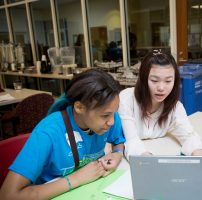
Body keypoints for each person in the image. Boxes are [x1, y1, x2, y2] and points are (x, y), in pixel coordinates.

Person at [0, 69, 125, 199]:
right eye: (105, 115)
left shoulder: (109, 116)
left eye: (114, 113)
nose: (111, 121)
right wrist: (75, 179)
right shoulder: (48, 132)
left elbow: (118, 141)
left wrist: (117, 154)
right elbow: (7, 195)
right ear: (79, 108)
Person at [118, 50, 202, 159]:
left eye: (168, 81)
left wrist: (201, 159)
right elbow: (132, 140)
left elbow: (189, 136)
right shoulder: (127, 99)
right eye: (154, 80)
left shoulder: (175, 106)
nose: (161, 88)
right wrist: (150, 162)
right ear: (143, 79)